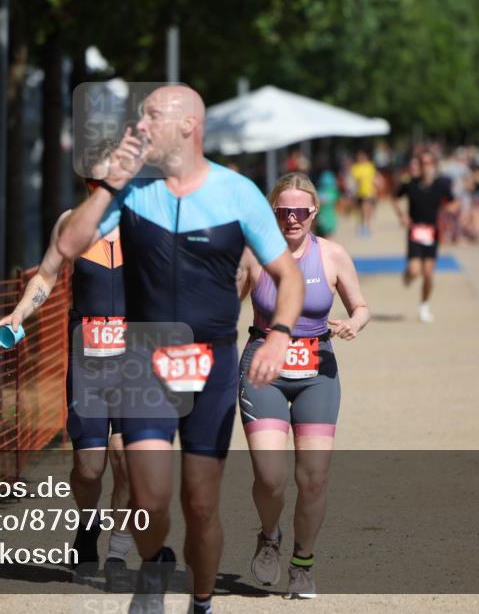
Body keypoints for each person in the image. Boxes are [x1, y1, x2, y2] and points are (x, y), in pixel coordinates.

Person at [56, 85, 304, 614]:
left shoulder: (236, 193)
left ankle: (202, 600)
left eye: (151, 117)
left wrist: (280, 334)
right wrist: (109, 186)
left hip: (209, 361)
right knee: (147, 500)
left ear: (188, 125)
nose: (139, 126)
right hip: (144, 357)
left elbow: (288, 276)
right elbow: (68, 245)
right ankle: (154, 566)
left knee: (200, 502)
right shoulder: (132, 193)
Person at [0, 141, 134, 592]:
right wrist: (18, 313)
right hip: (88, 359)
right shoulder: (71, 224)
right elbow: (47, 275)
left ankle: (118, 547)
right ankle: (87, 528)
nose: (99, 189)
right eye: (91, 181)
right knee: (89, 468)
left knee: (127, 459)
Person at [235, 172, 370, 599]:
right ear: (271, 212)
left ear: (314, 212)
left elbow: (362, 306)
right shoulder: (254, 256)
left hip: (318, 370)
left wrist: (353, 324)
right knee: (271, 477)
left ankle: (303, 565)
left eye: (300, 212)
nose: (292, 220)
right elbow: (223, 307)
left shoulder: (331, 255)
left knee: (313, 478)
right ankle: (270, 536)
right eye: (283, 212)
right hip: (263, 368)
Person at [392, 152, 459, 323]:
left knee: (428, 273)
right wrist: (402, 216)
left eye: (429, 163)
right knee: (415, 270)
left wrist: (449, 209)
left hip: (432, 233)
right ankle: (408, 275)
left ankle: (424, 306)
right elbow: (395, 198)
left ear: (434, 166)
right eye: (423, 163)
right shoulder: (411, 184)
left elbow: (454, 202)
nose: (426, 166)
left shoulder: (440, 185)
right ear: (419, 166)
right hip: (415, 231)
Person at [349, 150, 379, 236]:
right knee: (362, 210)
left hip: (370, 191)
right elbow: (354, 179)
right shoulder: (356, 167)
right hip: (360, 192)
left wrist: (376, 184)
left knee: (368, 209)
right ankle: (363, 226)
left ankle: (366, 227)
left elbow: (374, 176)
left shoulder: (370, 166)